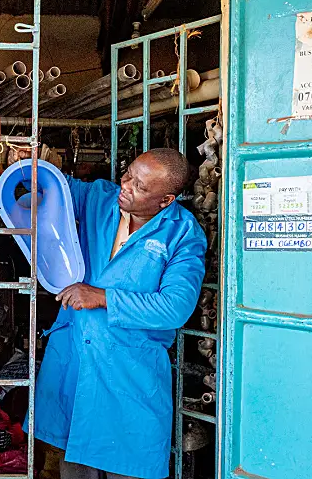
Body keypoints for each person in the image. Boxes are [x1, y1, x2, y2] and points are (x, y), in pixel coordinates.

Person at [20, 147, 207, 479]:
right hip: (76, 356)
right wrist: (29, 165)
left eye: (139, 186)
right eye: (128, 174)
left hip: (129, 371)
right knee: (74, 462)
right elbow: (51, 188)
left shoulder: (183, 234)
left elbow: (175, 307)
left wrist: (102, 297)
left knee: (126, 463)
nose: (126, 185)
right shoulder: (100, 199)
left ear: (165, 201)